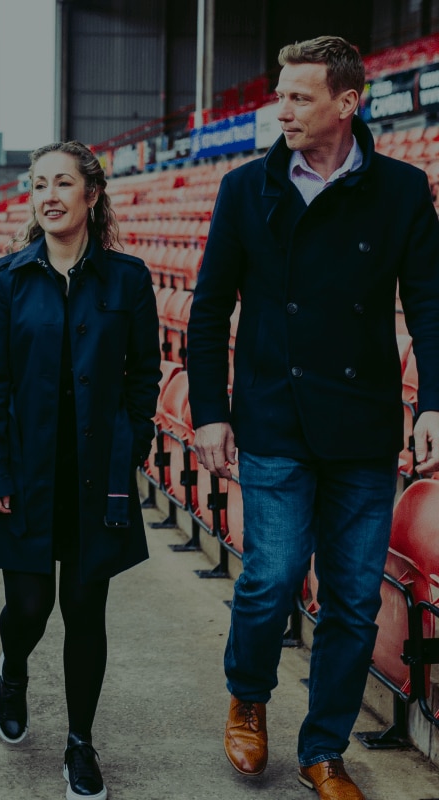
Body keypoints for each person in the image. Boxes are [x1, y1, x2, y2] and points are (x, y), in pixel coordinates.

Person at [187, 35, 439, 800]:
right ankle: (248, 695)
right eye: (281, 96)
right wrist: (209, 412)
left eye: (300, 97)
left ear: (347, 103)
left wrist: (434, 400)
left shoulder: (401, 189)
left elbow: (429, 304)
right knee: (271, 577)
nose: (283, 111)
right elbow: (208, 309)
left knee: (354, 602)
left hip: (362, 424)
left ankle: (323, 750)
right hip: (273, 414)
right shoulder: (246, 188)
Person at [0, 140, 160, 800]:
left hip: (95, 477)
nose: (48, 195)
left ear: (92, 193)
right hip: (25, 473)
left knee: (85, 610)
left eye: (61, 182)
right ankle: (14, 666)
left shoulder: (128, 279)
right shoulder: (8, 279)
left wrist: (130, 446)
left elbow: (145, 376)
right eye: (38, 184)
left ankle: (80, 742)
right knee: (29, 606)